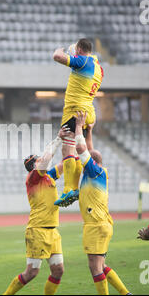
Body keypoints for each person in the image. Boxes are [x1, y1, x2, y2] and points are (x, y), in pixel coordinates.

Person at [3, 127, 69, 295]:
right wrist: (58, 139)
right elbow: (47, 159)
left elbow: (65, 164)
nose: (43, 161)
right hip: (37, 231)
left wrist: (73, 141)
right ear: (34, 165)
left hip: (52, 231)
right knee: (31, 273)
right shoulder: (33, 178)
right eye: (39, 160)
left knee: (58, 270)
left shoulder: (49, 176)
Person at [73, 112, 130, 295]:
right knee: (102, 265)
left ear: (92, 161)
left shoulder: (92, 170)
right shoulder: (98, 171)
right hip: (102, 224)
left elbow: (82, 150)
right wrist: (89, 130)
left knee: (95, 268)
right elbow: (89, 150)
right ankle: (125, 293)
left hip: (95, 226)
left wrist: (78, 126)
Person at [52, 38, 104, 206]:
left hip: (76, 110)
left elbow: (57, 57)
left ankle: (69, 189)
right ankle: (72, 189)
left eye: (77, 50)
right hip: (89, 112)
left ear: (80, 49)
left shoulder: (82, 61)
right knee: (78, 150)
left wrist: (62, 50)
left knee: (67, 148)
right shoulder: (99, 68)